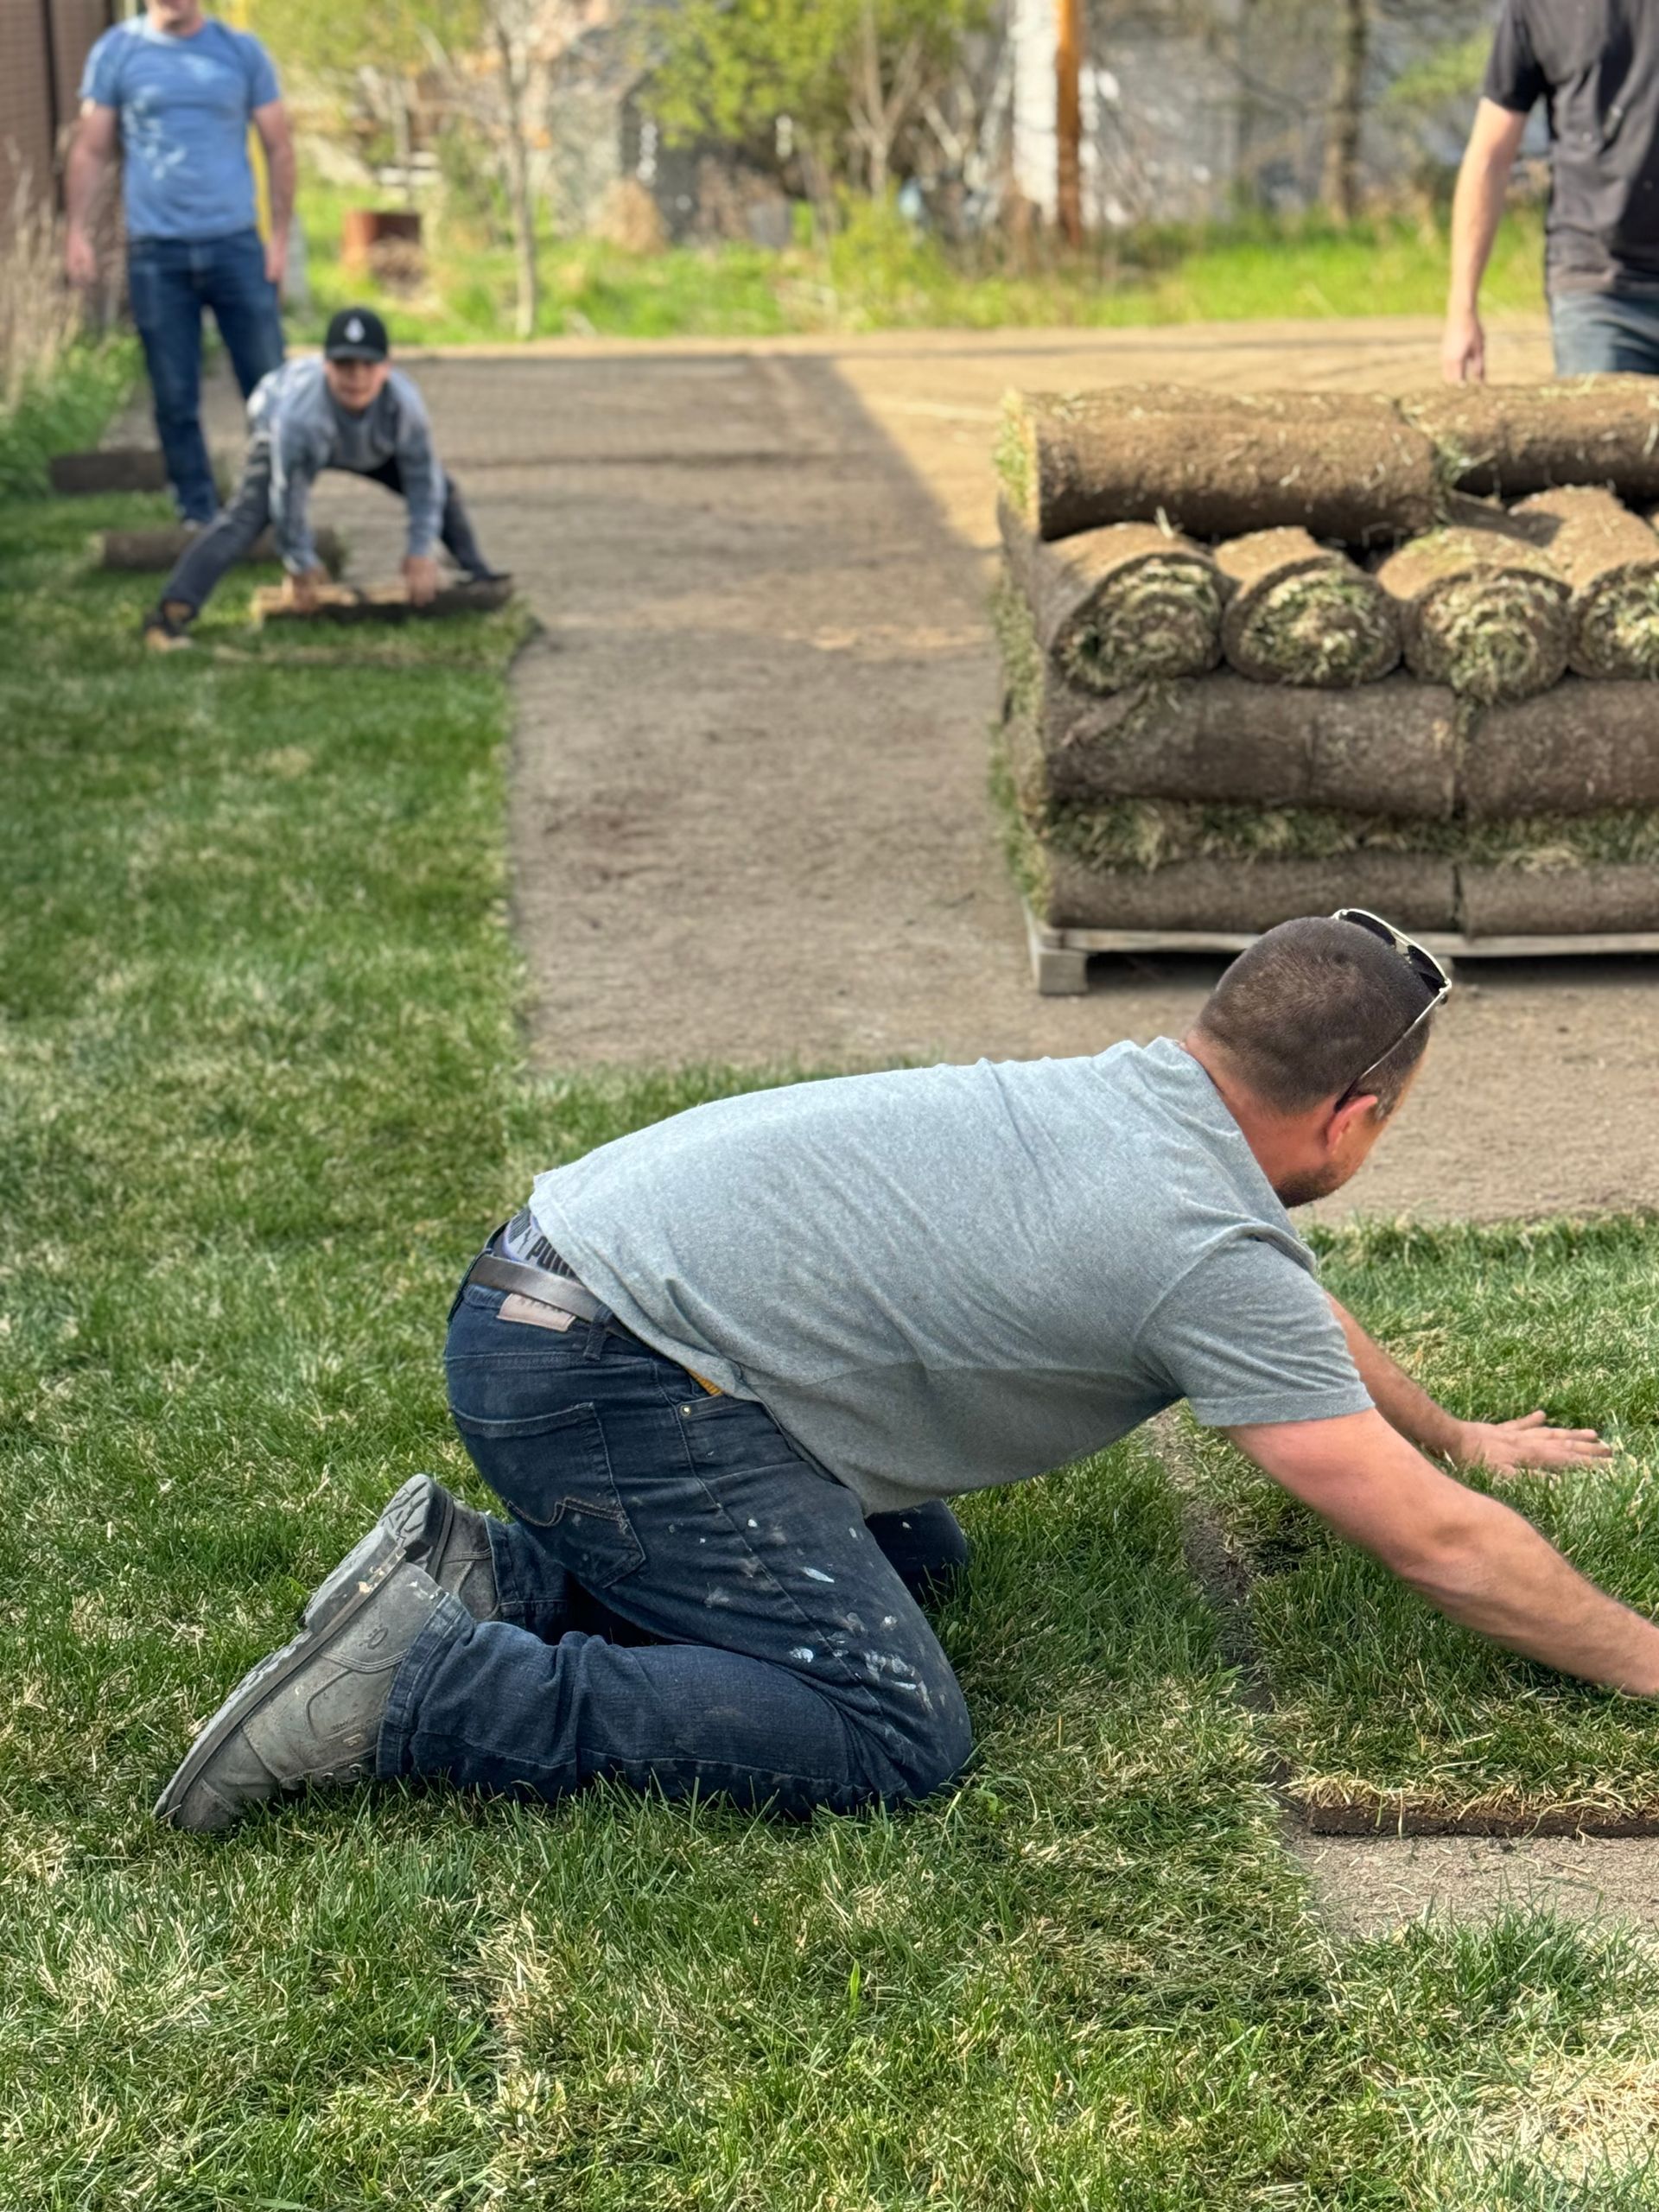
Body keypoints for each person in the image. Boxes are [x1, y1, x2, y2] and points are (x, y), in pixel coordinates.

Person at [156, 912, 1637, 1835]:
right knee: (887, 1734)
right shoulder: (1198, 1245)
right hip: (604, 1372)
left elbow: (1280, 1311)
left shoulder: (1150, 1105)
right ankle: (424, 1686)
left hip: (560, 1293)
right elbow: (1436, 1549)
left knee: (912, 1554)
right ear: (1355, 1115)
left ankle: (488, 1575)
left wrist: (1453, 1429)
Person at [142, 307, 505, 650]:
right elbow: (288, 496)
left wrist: (419, 551)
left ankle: (478, 577)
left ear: (386, 369)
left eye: (368, 365)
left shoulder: (405, 405)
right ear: (326, 365)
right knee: (246, 517)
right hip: (277, 420)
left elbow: (424, 483)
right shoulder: (299, 419)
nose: (357, 376)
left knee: (446, 490)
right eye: (344, 365)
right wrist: (300, 562)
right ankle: (172, 611)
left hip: (373, 444)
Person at [66, 0, 293, 526]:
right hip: (157, 252)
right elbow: (91, 149)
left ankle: (280, 504)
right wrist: (75, 231)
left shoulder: (240, 52)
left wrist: (278, 237)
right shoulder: (117, 52)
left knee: (269, 388)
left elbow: (279, 145)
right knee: (173, 393)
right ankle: (197, 512)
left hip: (235, 243)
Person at [1444, 0, 1659, 381]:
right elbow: (1489, 157)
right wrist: (1461, 309)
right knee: (1609, 437)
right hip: (1600, 292)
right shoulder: (1538, 8)